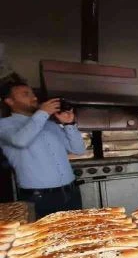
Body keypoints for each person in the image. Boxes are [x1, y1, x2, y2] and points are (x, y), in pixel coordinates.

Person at [0, 81, 85, 218]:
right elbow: (20, 141)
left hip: (71, 192)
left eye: (33, 94)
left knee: (77, 235)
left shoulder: (50, 124)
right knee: (45, 238)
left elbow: (79, 150)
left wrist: (70, 124)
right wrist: (43, 113)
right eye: (26, 94)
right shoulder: (4, 125)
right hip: (39, 198)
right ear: (9, 101)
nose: (34, 98)